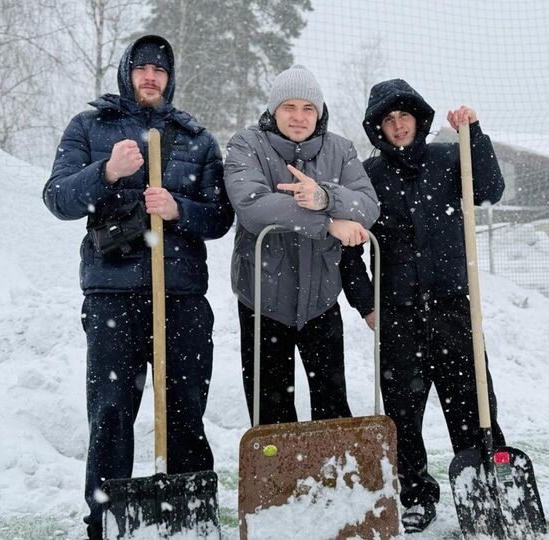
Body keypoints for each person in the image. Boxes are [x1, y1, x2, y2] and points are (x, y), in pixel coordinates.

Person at [42, 35, 233, 540]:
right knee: (110, 410)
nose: (151, 77)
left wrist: (179, 211)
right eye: (142, 68)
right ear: (127, 72)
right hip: (113, 295)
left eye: (160, 70)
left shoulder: (196, 138)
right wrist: (107, 171)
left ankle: (189, 512)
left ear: (170, 78)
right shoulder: (90, 127)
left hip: (182, 296)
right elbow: (57, 197)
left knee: (186, 408)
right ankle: (106, 519)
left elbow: (220, 218)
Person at [340, 79, 507, 533]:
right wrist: (365, 304)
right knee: (403, 415)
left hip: (453, 308)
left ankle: (486, 487)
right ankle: (413, 494)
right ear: (379, 128)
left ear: (418, 119)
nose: (398, 126)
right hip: (399, 315)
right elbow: (348, 249)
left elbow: (490, 188)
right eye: (389, 120)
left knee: (473, 405)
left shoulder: (449, 160)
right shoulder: (368, 177)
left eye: (404, 117)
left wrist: (473, 135)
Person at [224, 65, 379, 426]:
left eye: (308, 108)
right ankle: (278, 478)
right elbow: (252, 206)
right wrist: (328, 223)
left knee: (332, 405)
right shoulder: (246, 144)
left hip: (321, 300)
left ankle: (336, 474)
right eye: (289, 107)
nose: (298, 117)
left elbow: (368, 206)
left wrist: (324, 196)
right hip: (262, 301)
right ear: (273, 110)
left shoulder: (340, 150)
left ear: (320, 112)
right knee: (271, 414)